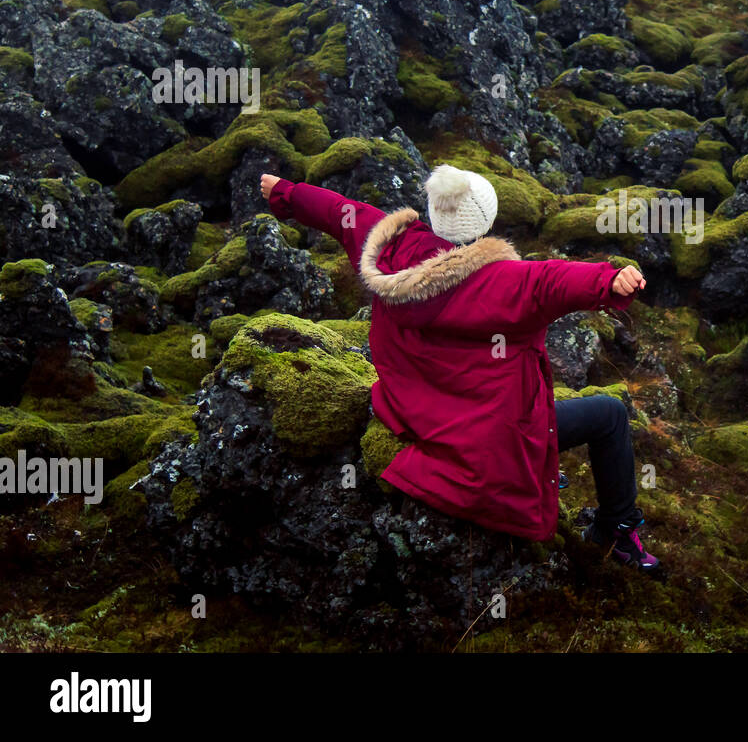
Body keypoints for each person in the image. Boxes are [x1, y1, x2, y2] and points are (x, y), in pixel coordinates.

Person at [259, 164, 658, 570]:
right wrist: (611, 280)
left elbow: (339, 210)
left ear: (435, 213)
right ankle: (617, 531)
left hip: (416, 415)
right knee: (609, 414)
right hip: (490, 440)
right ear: (487, 224)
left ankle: (555, 477)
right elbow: (557, 280)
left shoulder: (388, 250)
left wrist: (285, 192)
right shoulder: (508, 280)